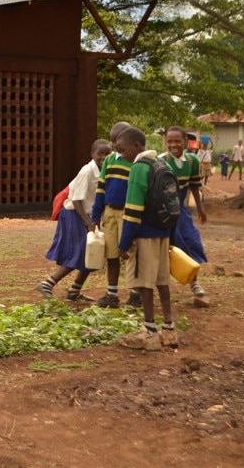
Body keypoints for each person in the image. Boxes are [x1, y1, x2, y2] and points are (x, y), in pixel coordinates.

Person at [115, 127, 178, 351]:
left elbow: (132, 210)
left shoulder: (139, 168)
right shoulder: (163, 164)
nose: (121, 155)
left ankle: (149, 332)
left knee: (144, 282)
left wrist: (123, 244)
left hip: (144, 234)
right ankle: (169, 330)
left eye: (122, 150)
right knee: (162, 281)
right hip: (163, 232)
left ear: (136, 146)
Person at [36, 139, 112, 302]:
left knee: (93, 253)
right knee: (80, 253)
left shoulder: (106, 170)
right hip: (74, 214)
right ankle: (48, 283)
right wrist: (88, 222)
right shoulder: (88, 171)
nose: (103, 157)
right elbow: (77, 200)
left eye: (107, 154)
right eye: (100, 154)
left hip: (89, 216)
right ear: (92, 154)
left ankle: (74, 291)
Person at [90, 122, 142, 309]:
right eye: (113, 143)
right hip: (110, 212)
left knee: (130, 253)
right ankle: (112, 293)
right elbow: (101, 188)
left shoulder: (137, 162)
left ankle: (136, 294)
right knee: (111, 253)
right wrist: (95, 216)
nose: (116, 148)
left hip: (128, 213)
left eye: (118, 143)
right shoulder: (110, 160)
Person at [162, 127, 210, 308]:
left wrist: (200, 209)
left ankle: (194, 281)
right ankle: (150, 287)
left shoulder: (192, 161)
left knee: (190, 242)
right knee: (163, 247)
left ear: (185, 142)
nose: (173, 145)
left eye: (177, 141)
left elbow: (194, 186)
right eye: (170, 141)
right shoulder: (162, 161)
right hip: (164, 211)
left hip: (181, 210)